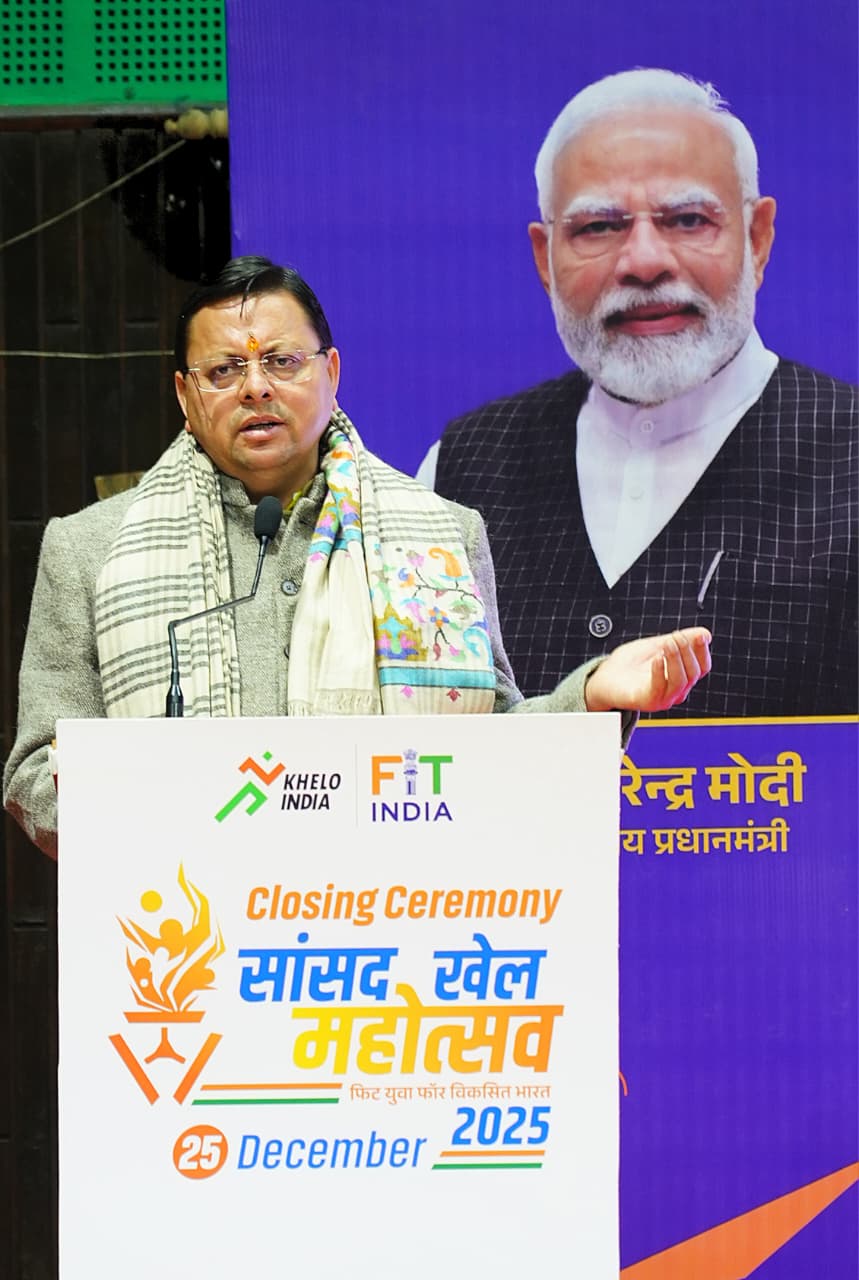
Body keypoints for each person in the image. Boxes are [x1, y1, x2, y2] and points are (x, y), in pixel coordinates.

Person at [4, 256, 711, 859]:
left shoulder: (440, 537)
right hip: (187, 938)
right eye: (224, 369)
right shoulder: (91, 550)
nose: (256, 387)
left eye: (282, 361)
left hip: (379, 932)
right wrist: (158, 815)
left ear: (331, 372)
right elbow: (36, 777)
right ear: (186, 395)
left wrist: (590, 697)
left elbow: (489, 755)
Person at [419, 69, 856, 716]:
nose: (644, 262)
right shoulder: (458, 472)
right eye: (598, 227)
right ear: (544, 259)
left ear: (757, 238)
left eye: (688, 219)